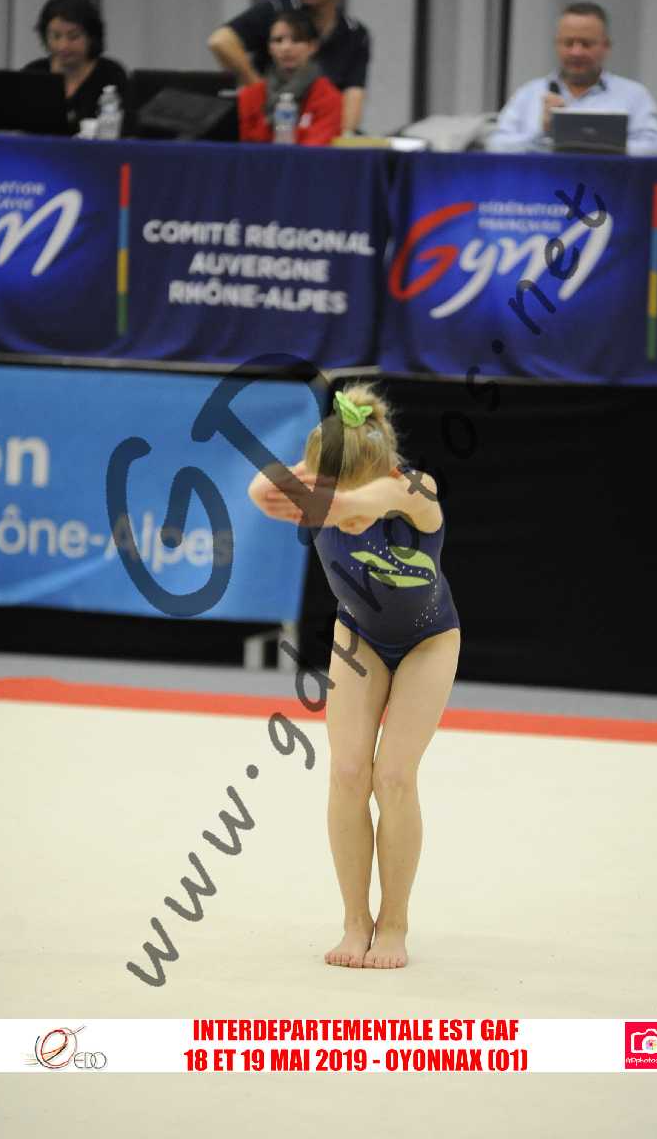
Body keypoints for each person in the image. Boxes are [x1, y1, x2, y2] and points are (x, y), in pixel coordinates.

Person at [248, 385, 461, 969]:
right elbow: (259, 491)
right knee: (346, 773)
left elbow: (376, 496)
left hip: (429, 641)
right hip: (359, 636)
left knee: (394, 777)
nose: (345, 513)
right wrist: (306, 475)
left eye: (352, 497)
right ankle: (355, 920)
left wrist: (336, 498)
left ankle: (394, 923)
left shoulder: (414, 490)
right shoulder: (322, 489)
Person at [208, 0, 369, 134]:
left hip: (319, 127)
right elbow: (220, 41)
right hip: (267, 123)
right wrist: (259, 88)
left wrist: (345, 137)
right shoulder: (276, 10)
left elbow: (353, 97)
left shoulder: (354, 34)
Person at [487, 2, 657, 156]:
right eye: (568, 43)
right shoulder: (529, 94)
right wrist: (541, 134)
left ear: (606, 46)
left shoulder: (634, 95)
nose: (576, 52)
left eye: (586, 44)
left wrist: (603, 146)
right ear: (556, 44)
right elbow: (496, 145)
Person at [24, 0, 127, 134]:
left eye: (74, 37)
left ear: (91, 36)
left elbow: (126, 132)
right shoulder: (34, 73)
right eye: (56, 36)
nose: (63, 46)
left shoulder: (111, 75)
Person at [238, 9, 342, 145]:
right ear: (269, 48)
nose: (286, 47)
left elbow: (317, 147)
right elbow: (242, 145)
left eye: (296, 39)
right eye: (278, 40)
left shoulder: (328, 96)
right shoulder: (249, 96)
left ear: (313, 46)